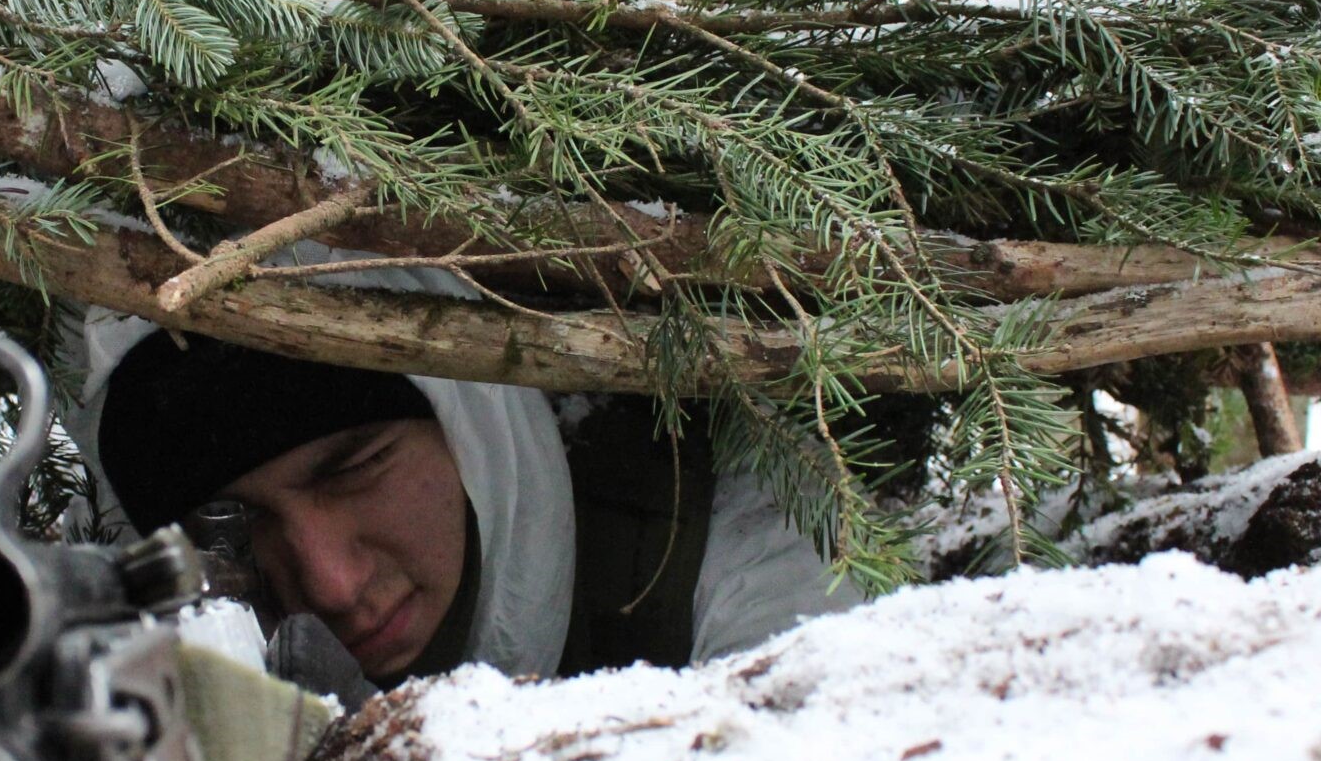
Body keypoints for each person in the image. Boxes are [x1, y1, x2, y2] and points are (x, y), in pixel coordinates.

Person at [62, 276, 854, 693]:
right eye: (230, 522)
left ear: (469, 419)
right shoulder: (98, 591)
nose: (330, 584)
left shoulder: (731, 536)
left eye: (355, 467)